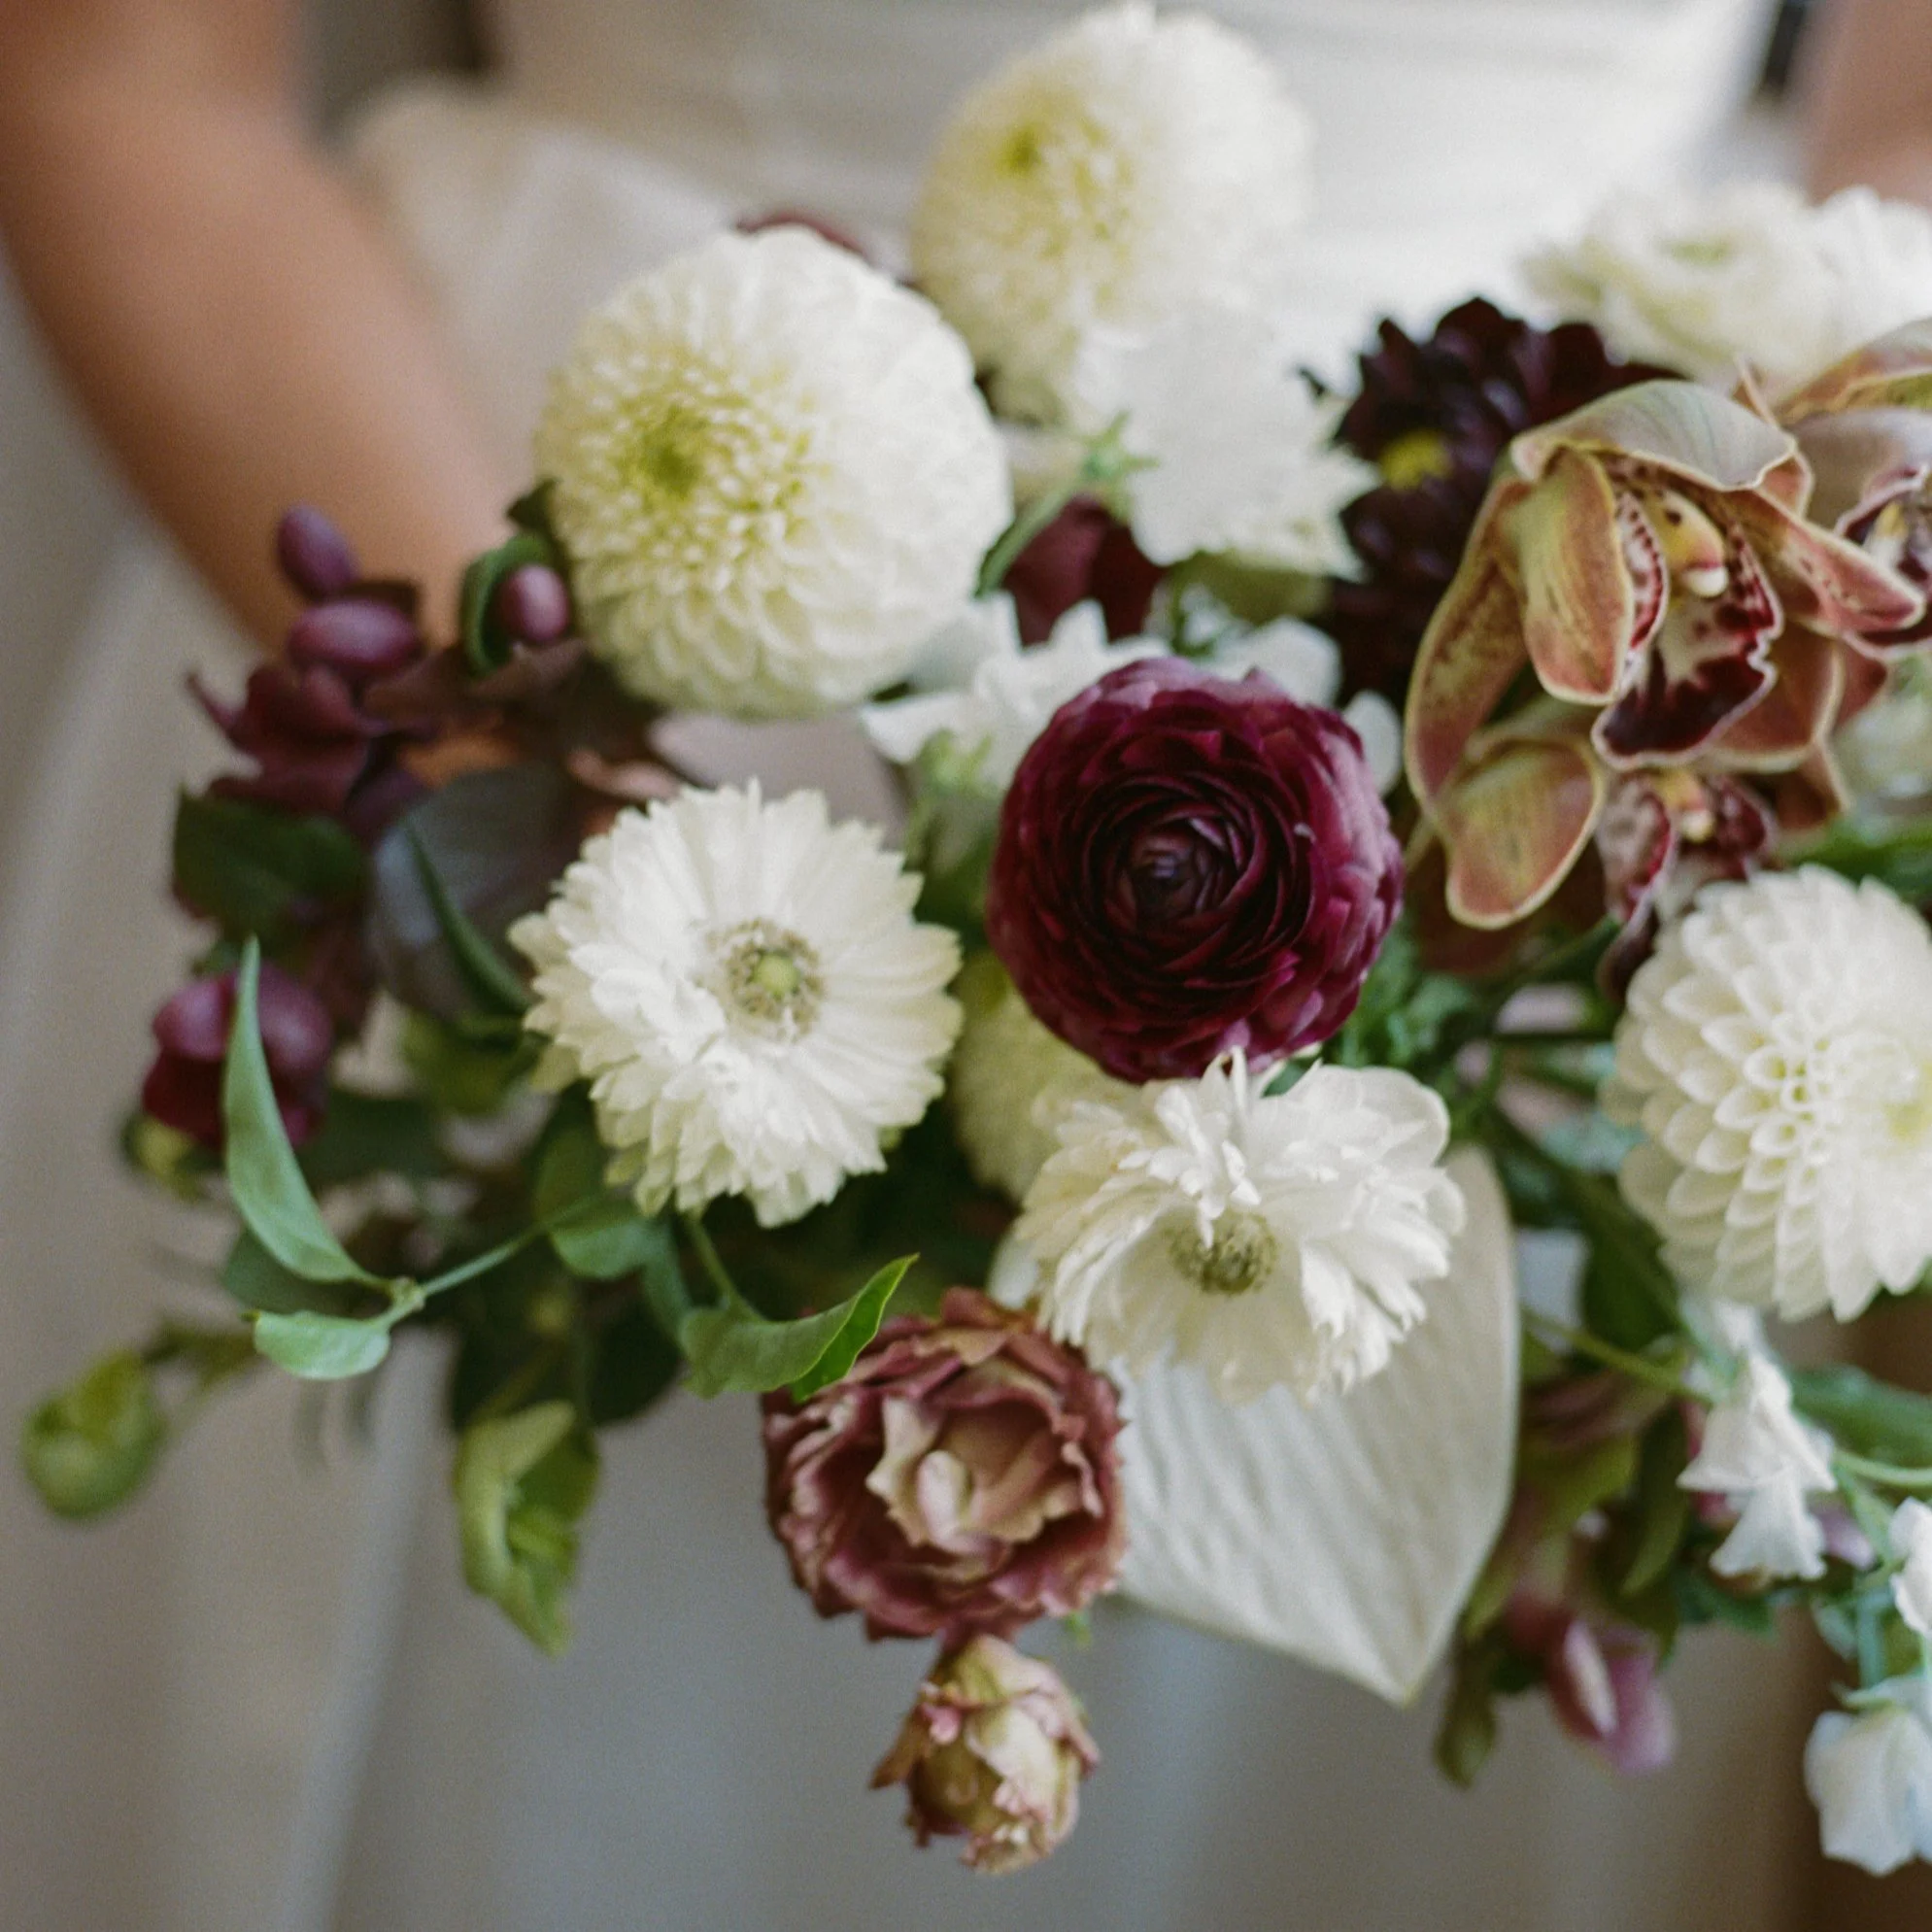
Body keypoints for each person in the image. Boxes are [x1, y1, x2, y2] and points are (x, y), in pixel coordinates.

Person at [0, 3, 1841, 1928]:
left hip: (1592, 788)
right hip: (541, 584)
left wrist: (1719, 706)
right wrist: (568, 824)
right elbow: (126, 80)